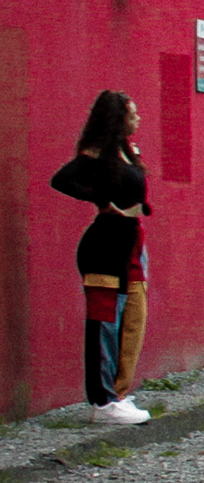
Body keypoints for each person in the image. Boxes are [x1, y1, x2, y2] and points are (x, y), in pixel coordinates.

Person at [49, 91, 153, 426]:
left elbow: (134, 192)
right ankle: (103, 401)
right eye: (132, 113)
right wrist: (100, 201)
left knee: (133, 317)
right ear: (117, 118)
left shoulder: (127, 150)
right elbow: (62, 179)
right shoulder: (96, 153)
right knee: (105, 323)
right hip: (105, 245)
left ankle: (118, 392)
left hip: (131, 243)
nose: (137, 119)